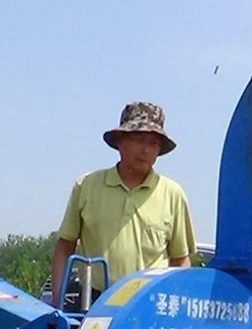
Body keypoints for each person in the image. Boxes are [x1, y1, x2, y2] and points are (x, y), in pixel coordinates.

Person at [51, 101, 196, 307]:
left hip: (149, 304)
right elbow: (65, 247)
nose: (146, 150)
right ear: (120, 142)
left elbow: (180, 260)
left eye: (153, 143)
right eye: (139, 139)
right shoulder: (87, 186)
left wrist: (177, 306)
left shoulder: (172, 194)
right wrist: (57, 300)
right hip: (93, 301)